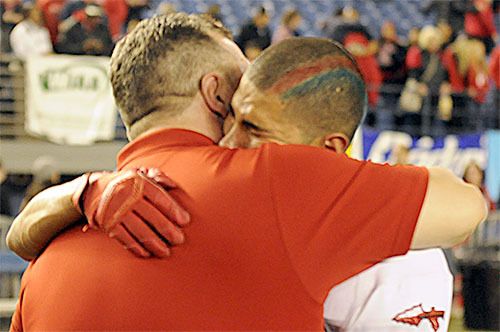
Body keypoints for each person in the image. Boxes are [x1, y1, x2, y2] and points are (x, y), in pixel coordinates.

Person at [8, 14, 487, 330]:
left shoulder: (47, 254)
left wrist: (79, 192)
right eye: (241, 90)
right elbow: (467, 206)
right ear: (216, 94)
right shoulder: (277, 182)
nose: (239, 136)